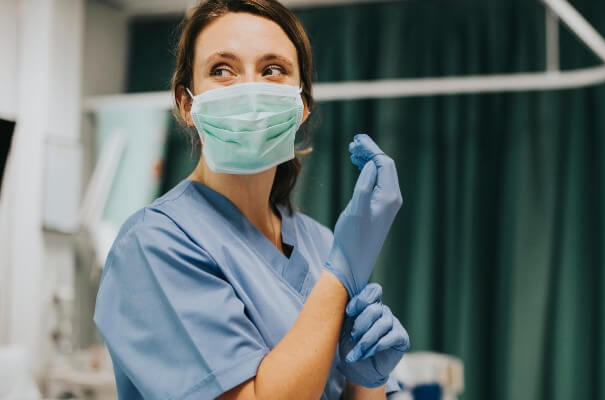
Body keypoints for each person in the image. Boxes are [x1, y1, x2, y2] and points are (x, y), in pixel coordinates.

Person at [93, 1, 409, 399]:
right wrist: (341, 273)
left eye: (272, 69)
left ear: (302, 105)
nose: (250, 90)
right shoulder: (152, 245)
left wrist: (367, 379)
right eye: (222, 70)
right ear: (187, 104)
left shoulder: (321, 244)